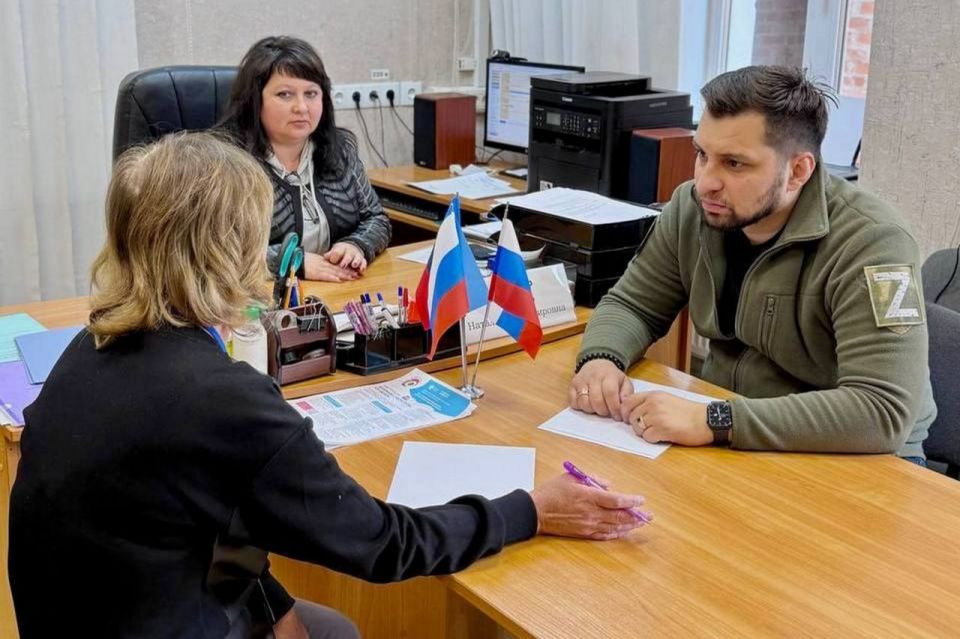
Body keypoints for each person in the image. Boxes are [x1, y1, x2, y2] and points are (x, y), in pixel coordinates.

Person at [8, 132, 649, 639]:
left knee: (325, 626)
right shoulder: (220, 398)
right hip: (156, 615)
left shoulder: (91, 345)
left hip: (89, 612)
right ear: (231, 249)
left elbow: (202, 511)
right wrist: (530, 511)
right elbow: (382, 545)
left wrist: (273, 606)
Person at [569, 65, 936, 464]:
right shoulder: (693, 209)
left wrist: (716, 419)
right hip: (737, 430)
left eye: (734, 164)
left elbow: (881, 411)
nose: (705, 182)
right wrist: (602, 358)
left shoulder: (873, 243)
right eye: (702, 154)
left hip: (862, 457)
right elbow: (633, 305)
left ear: (798, 171)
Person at [219, 35, 391, 283]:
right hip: (259, 297)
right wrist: (292, 262)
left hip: (334, 290)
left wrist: (356, 245)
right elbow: (214, 251)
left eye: (311, 93)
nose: (301, 107)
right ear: (255, 100)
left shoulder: (339, 149)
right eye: (285, 94)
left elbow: (376, 219)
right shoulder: (225, 163)